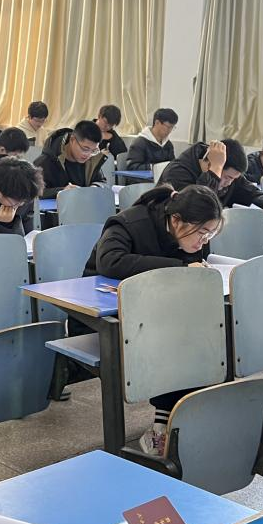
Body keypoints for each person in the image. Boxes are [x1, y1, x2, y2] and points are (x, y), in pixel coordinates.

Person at [83, 185, 224, 456]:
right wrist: (179, 268)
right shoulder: (128, 223)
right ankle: (163, 426)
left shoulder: (188, 235)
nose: (204, 241)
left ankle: (179, 420)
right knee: (174, 340)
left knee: (205, 335)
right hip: (104, 315)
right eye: (202, 233)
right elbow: (110, 262)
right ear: (176, 220)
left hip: (155, 310)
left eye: (211, 234)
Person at [161, 139, 263, 211]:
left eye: (234, 179)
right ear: (209, 164)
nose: (229, 183)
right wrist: (215, 171)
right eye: (227, 177)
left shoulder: (231, 175)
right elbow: (198, 208)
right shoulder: (176, 173)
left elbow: (249, 191)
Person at [34, 122, 108, 199]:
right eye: (85, 149)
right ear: (72, 140)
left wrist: (95, 187)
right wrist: (62, 191)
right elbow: (32, 192)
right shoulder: (45, 162)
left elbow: (102, 182)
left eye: (93, 151)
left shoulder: (91, 161)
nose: (88, 155)